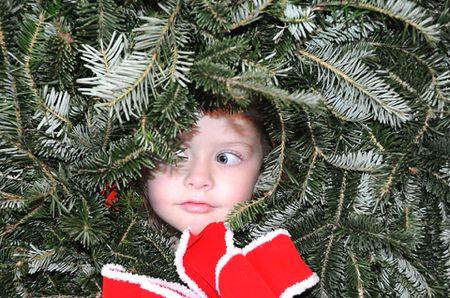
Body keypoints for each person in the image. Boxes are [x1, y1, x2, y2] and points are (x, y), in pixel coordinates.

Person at [101, 107, 319, 298]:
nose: (199, 179)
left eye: (226, 158)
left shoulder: (292, 259)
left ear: (267, 168)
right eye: (175, 154)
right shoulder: (105, 247)